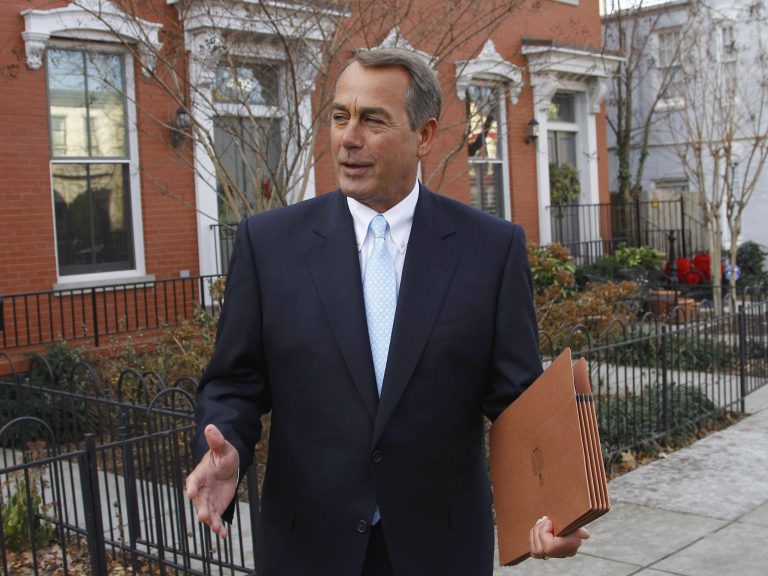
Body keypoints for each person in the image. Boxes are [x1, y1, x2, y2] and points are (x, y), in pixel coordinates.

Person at [186, 47, 589, 575]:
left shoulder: (490, 250)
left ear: (423, 136)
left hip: (439, 552)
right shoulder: (269, 244)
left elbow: (515, 402)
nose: (348, 138)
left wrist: (551, 507)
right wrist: (226, 447)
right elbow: (233, 384)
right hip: (308, 548)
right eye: (339, 117)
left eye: (373, 120)